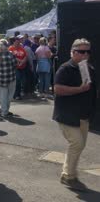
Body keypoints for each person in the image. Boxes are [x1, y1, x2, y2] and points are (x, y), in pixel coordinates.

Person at [53, 38, 96, 191]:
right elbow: (57, 89)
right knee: (76, 143)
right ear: (73, 52)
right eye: (82, 51)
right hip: (67, 114)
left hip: (83, 114)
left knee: (79, 145)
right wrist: (79, 89)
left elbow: (92, 90)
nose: (85, 55)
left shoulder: (89, 68)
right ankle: (69, 176)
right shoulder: (65, 68)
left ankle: (68, 172)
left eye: (88, 52)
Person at [0, 39, 17, 117]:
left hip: (0, 77)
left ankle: (4, 111)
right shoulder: (10, 54)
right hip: (11, 77)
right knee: (10, 95)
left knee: (3, 95)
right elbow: (15, 64)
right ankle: (5, 110)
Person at [9, 36, 27, 100]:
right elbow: (11, 56)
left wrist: (22, 61)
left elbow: (25, 56)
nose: (18, 43)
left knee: (22, 81)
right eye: (16, 42)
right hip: (15, 67)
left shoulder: (22, 48)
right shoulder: (11, 48)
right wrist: (19, 60)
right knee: (18, 81)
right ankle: (16, 95)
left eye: (18, 42)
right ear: (13, 42)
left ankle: (18, 94)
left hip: (22, 67)